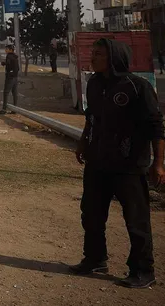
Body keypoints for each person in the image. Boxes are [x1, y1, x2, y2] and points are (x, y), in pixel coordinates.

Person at [70, 38, 165, 289]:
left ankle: (143, 270)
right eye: (93, 53)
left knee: (136, 220)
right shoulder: (94, 84)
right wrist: (82, 143)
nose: (93, 57)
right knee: (91, 214)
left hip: (129, 165)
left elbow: (156, 128)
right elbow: (91, 118)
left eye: (99, 54)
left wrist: (158, 164)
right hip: (98, 161)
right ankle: (95, 258)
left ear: (114, 57)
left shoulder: (138, 87)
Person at [0, 44, 18, 114]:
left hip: (10, 77)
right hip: (15, 77)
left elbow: (9, 64)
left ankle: (4, 109)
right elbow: (13, 66)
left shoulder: (9, 56)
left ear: (10, 50)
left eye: (6, 49)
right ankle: (15, 109)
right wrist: (5, 63)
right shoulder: (15, 56)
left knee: (6, 93)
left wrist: (4, 63)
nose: (5, 50)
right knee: (14, 93)